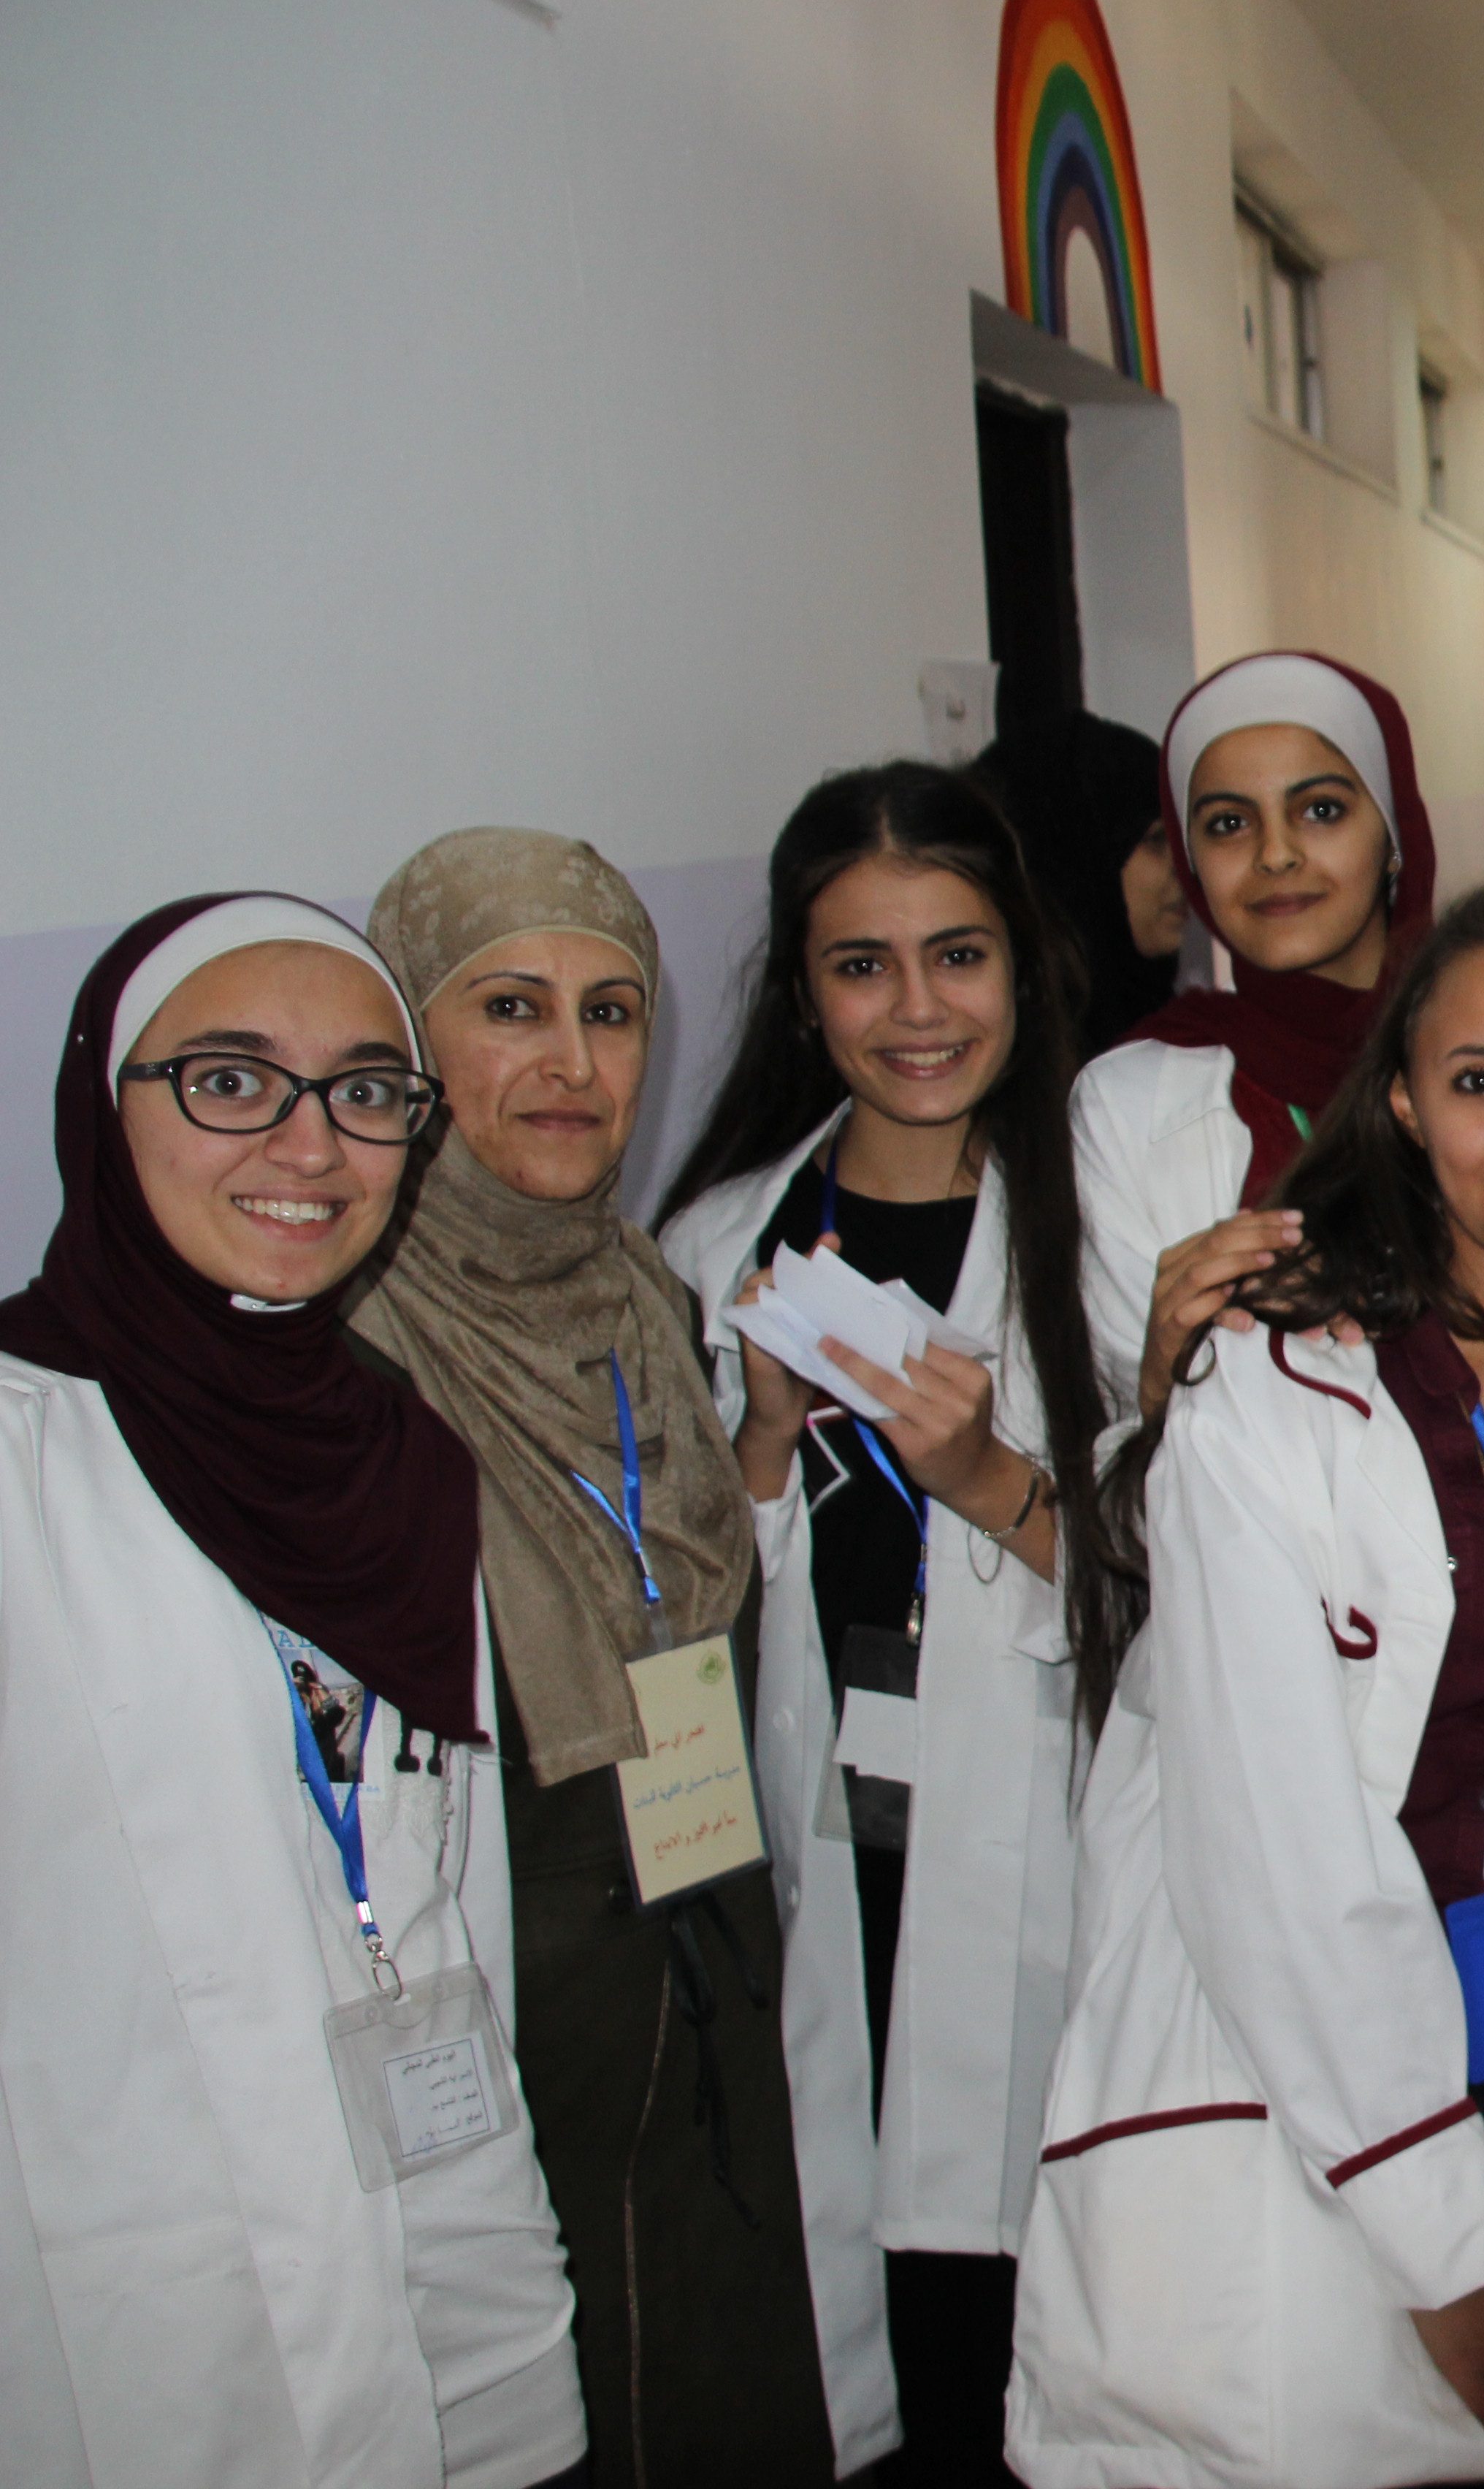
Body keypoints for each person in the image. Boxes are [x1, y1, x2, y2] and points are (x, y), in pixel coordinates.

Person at [1009, 883, 1484, 2488]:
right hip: (1303, 2120)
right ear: (1403, 1101)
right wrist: (1447, 2250)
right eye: (1481, 1080)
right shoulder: (1266, 1395)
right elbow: (1268, 1862)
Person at [0, 893, 586, 2485]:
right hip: (120, 2320)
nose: (311, 1145)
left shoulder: (399, 1457)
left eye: (366, 1092)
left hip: (443, 2238)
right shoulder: (20, 1456)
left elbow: (444, 1904)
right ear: (103, 1102)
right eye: (229, 1080)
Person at [343, 831, 866, 2480]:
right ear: (407, 1045)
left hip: (701, 1931)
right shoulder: (354, 1349)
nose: (573, 1063)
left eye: (613, 1010)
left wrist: (762, 1445)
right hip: (522, 1991)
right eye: (510, 1007)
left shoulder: (645, 1293)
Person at [656, 765, 1114, 2486]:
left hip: (1055, 1845)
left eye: (957, 955)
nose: (916, 1009)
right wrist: (766, 1449)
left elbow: (1200, 1592)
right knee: (893, 2336)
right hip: (834, 1856)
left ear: (1025, 967)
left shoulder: (1110, 1222)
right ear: (802, 990)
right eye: (862, 965)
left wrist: (987, 1478)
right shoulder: (719, 1247)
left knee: (1062, 2338)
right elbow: (675, 1620)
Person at [1076, 649, 1439, 1416]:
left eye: (1322, 810)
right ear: (1193, 866)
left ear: (1394, 838)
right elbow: (1120, 1427)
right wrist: (1163, 1373)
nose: (1275, 854)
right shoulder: (1127, 1100)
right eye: (1229, 824)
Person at [973, 704, 1185, 1046]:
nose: (1185, 869)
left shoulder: (1162, 1024)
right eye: (1157, 840)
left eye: (1184, 841)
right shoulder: (1010, 1056)